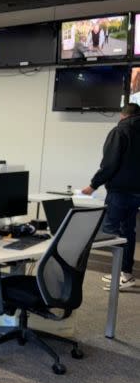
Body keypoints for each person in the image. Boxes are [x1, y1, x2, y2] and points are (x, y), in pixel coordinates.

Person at [81, 103, 140, 290]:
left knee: (110, 233)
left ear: (123, 115)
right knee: (128, 233)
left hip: (119, 192)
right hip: (137, 192)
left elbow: (110, 164)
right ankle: (125, 274)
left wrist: (93, 185)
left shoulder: (120, 131)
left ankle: (118, 275)